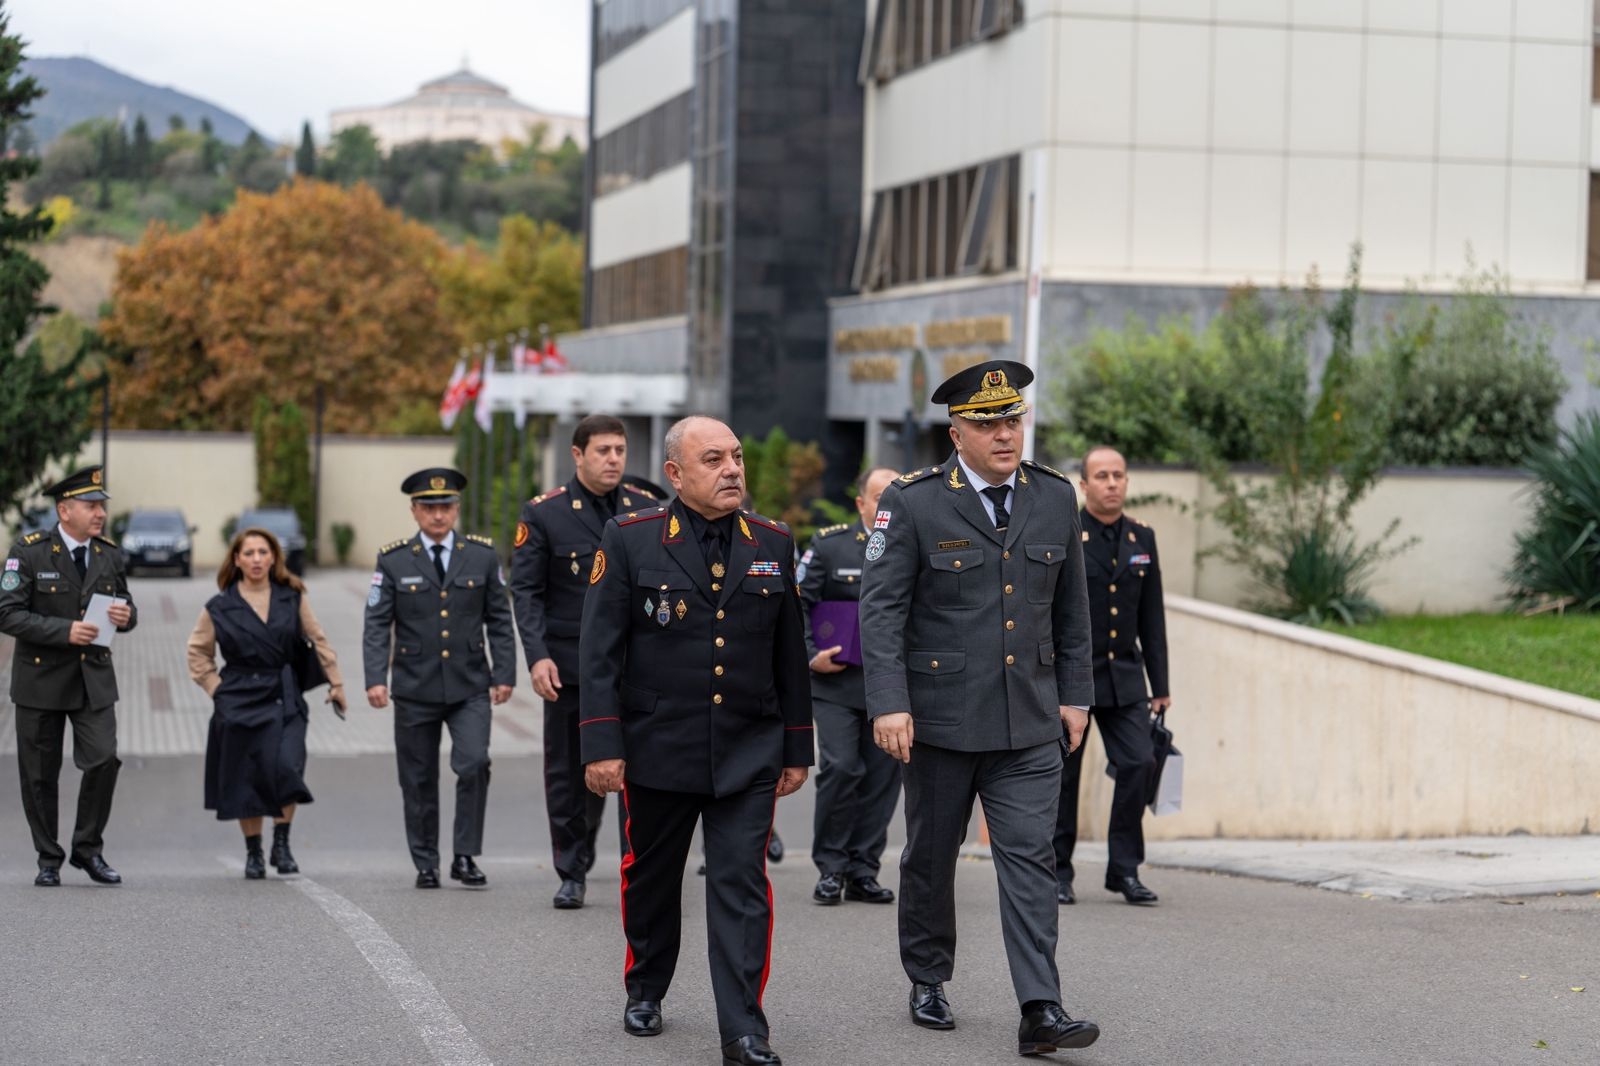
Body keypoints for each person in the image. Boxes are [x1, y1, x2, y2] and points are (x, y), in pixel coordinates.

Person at [859, 361, 1102, 1056]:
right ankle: (929, 976)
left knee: (1029, 858)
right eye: (989, 423)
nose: (1005, 434)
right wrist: (889, 704)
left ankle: (1040, 1007)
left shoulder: (1055, 497)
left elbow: (1072, 610)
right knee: (932, 857)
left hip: (1028, 717)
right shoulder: (913, 502)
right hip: (938, 718)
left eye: (1014, 420)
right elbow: (881, 613)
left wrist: (1075, 696)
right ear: (956, 431)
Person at [579, 416, 812, 1066]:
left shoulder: (772, 540)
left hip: (748, 749)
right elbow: (600, 651)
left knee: (741, 886)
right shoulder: (629, 539)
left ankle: (743, 1032)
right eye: (714, 459)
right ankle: (646, 984)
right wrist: (601, 743)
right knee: (652, 879)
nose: (733, 469)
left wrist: (797, 747)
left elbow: (790, 651)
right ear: (676, 474)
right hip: (657, 747)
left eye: (737, 456)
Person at [511, 413, 661, 910]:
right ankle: (571, 870)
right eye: (603, 450)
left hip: (635, 668)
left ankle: (635, 869)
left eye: (620, 450)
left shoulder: (647, 509)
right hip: (571, 668)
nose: (615, 459)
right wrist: (537, 658)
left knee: (637, 772)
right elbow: (527, 592)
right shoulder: (545, 513)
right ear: (577, 455)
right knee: (570, 773)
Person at [363, 468, 517, 889]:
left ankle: (464, 855)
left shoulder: (482, 556)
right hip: (414, 687)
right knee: (417, 777)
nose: (437, 515)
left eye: (445, 506)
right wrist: (375, 677)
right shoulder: (393, 559)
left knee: (473, 764)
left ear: (457, 509)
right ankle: (426, 861)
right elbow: (377, 622)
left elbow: (499, 619)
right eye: (428, 507)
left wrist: (504, 673)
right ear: (414, 511)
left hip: (470, 685)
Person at [1, 466, 136, 887]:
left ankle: (87, 849)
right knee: (39, 774)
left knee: (103, 759)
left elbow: (125, 605)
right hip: (40, 680)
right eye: (91, 505)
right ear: (64, 510)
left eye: (101, 506)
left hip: (92, 678)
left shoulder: (109, 554)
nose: (99, 513)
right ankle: (48, 857)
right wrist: (64, 631)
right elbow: (7, 612)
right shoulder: (28, 551)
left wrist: (127, 616)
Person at [186, 527, 344, 878]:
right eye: (249, 553)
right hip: (239, 698)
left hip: (284, 693)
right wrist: (217, 691)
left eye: (263, 552)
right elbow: (197, 652)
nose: (256, 559)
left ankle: (282, 844)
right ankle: (254, 852)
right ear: (236, 560)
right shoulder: (219, 606)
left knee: (288, 767)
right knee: (246, 777)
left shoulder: (292, 596)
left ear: (273, 557)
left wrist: (336, 683)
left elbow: (317, 639)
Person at [1053, 445, 1170, 906]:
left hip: (1124, 678)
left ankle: (1124, 870)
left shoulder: (1142, 538)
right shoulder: (1066, 533)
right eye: (1101, 476)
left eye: (1118, 475)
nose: (1112, 483)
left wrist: (1160, 687)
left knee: (1140, 764)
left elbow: (1152, 619)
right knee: (1063, 779)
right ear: (1084, 485)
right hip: (1072, 680)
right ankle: (1058, 871)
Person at [798, 466, 902, 906]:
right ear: (861, 503)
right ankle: (831, 867)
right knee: (842, 768)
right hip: (837, 683)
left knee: (882, 777)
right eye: (879, 497)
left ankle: (863, 869)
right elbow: (797, 606)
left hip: (890, 687)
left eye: (895, 497)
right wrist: (809, 657)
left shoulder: (914, 544)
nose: (886, 507)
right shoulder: (829, 545)